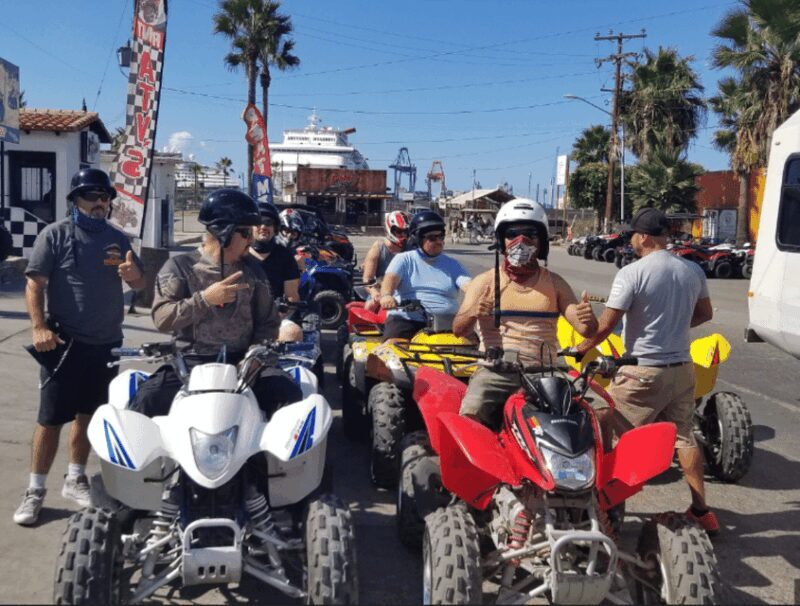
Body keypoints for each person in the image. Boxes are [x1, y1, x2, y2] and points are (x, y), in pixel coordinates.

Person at [574, 207, 719, 535]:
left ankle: (602, 512)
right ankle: (702, 511)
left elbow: (606, 327)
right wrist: (676, 325)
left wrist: (580, 349)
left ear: (644, 237)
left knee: (604, 428)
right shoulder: (692, 270)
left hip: (642, 372)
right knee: (684, 438)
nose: (632, 241)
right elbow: (705, 314)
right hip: (681, 370)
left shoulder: (632, 273)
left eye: (633, 235)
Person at [14, 168, 145, 526]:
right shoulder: (54, 235)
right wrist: (39, 326)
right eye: (92, 196)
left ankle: (75, 478)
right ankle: (35, 490)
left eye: (105, 197)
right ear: (75, 200)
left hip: (106, 344)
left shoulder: (118, 239)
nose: (100, 203)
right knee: (50, 419)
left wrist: (135, 278)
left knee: (90, 415)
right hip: (64, 342)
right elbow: (35, 284)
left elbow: (140, 280)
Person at [129, 189, 300, 418]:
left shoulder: (253, 270)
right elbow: (162, 319)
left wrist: (255, 355)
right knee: (145, 401)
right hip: (189, 362)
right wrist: (205, 299)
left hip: (242, 361)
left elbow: (267, 322)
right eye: (245, 233)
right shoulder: (179, 267)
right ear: (224, 233)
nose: (251, 241)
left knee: (289, 395)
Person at [453, 198, 597, 428]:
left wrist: (588, 319)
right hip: (496, 373)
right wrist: (472, 313)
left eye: (530, 234)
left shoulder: (555, 283)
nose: (521, 241)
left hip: (548, 372)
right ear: (501, 240)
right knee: (470, 416)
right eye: (512, 234)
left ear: (542, 241)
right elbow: (459, 330)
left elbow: (585, 329)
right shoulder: (484, 282)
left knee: (598, 411)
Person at [379, 211, 471, 340]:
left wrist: (484, 297)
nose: (439, 241)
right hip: (407, 321)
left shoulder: (453, 264)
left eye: (441, 236)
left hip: (448, 322)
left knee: (475, 348)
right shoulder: (404, 259)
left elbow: (470, 286)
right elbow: (389, 281)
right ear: (418, 239)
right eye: (432, 238)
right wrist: (386, 296)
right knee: (393, 349)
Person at [250, 201, 304, 342]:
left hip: (274, 317)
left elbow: (292, 296)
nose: (263, 227)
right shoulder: (238, 254)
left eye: (268, 223)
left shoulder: (285, 257)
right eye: (258, 222)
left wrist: (279, 315)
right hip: (240, 317)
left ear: (275, 228)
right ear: (250, 227)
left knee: (292, 333)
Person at [362, 210, 410, 312]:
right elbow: (367, 278)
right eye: (399, 231)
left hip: (404, 289)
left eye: (405, 231)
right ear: (390, 229)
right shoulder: (378, 247)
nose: (403, 235)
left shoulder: (411, 248)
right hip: (381, 288)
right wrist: (374, 293)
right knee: (370, 306)